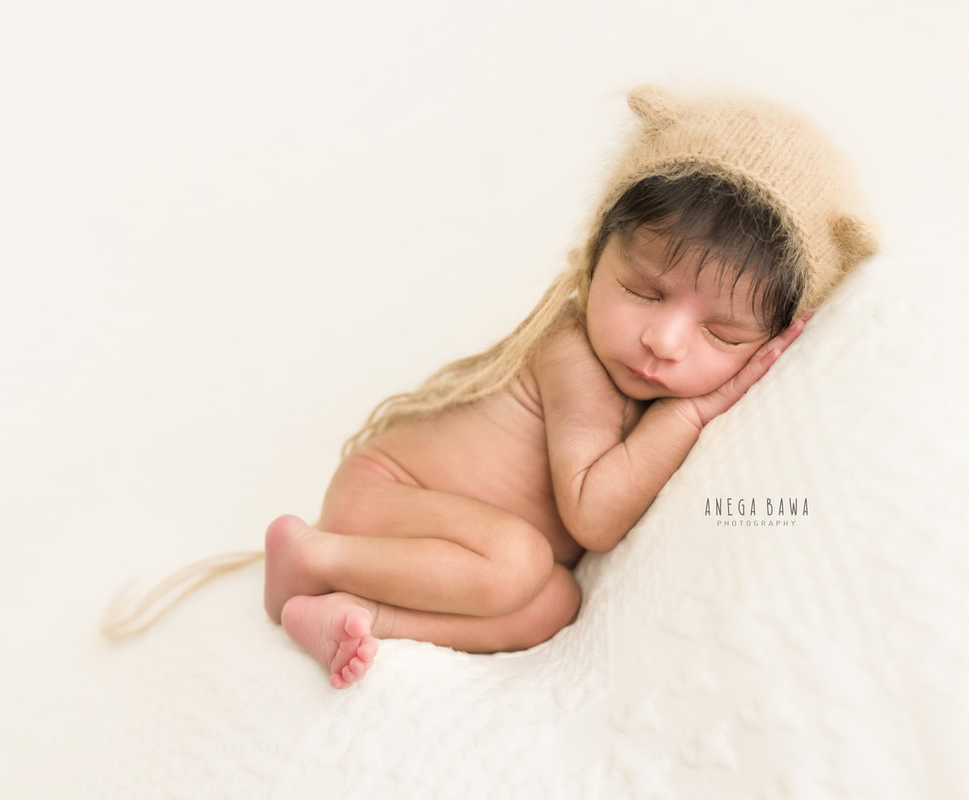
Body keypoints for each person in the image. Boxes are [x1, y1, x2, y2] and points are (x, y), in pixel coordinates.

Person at [101, 83, 880, 689]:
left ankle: (351, 612)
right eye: (643, 291)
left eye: (723, 336)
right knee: (515, 559)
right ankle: (314, 554)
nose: (663, 342)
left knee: (555, 603)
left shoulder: (639, 366)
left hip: (433, 536)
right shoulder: (573, 353)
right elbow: (596, 516)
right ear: (593, 260)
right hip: (387, 498)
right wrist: (702, 404)